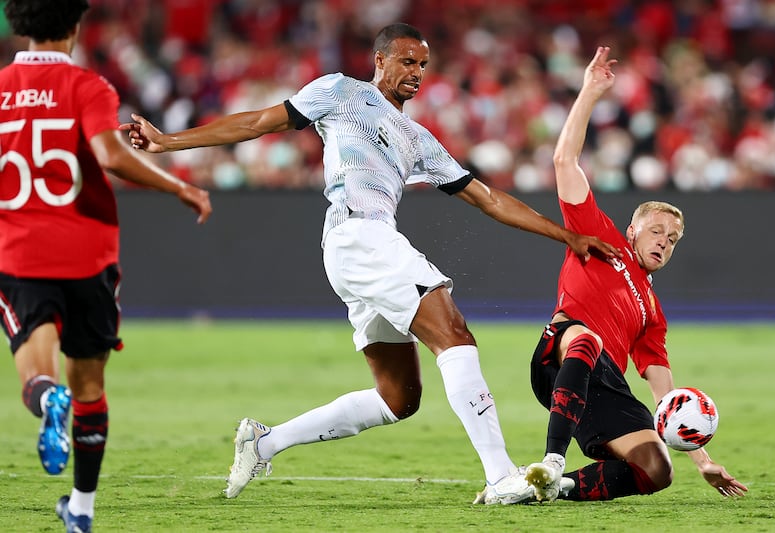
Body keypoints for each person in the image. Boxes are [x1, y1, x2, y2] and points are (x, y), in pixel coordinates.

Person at [122, 23, 619, 505]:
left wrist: (567, 235)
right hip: (359, 235)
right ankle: (501, 476)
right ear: (379, 60)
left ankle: (264, 442)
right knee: (455, 335)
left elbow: (488, 198)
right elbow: (257, 122)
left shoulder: (418, 137)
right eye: (407, 60)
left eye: (423, 64)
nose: (417, 72)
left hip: (361, 246)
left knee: (399, 397)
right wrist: (168, 142)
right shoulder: (340, 93)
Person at [0, 1, 213, 532]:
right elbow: (112, 156)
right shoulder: (89, 87)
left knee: (39, 374)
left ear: (19, 25)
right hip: (88, 257)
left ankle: (49, 399)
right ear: (75, 26)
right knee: (91, 387)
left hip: (21, 254)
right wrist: (179, 185)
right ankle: (81, 508)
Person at [522, 46, 748, 503]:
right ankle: (550, 460)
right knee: (588, 339)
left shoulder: (652, 311)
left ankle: (545, 490)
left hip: (606, 386)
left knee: (655, 469)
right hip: (564, 354)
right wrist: (589, 91)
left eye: (673, 238)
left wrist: (703, 460)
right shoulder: (602, 239)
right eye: (658, 230)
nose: (665, 240)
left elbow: (666, 394)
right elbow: (565, 161)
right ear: (632, 230)